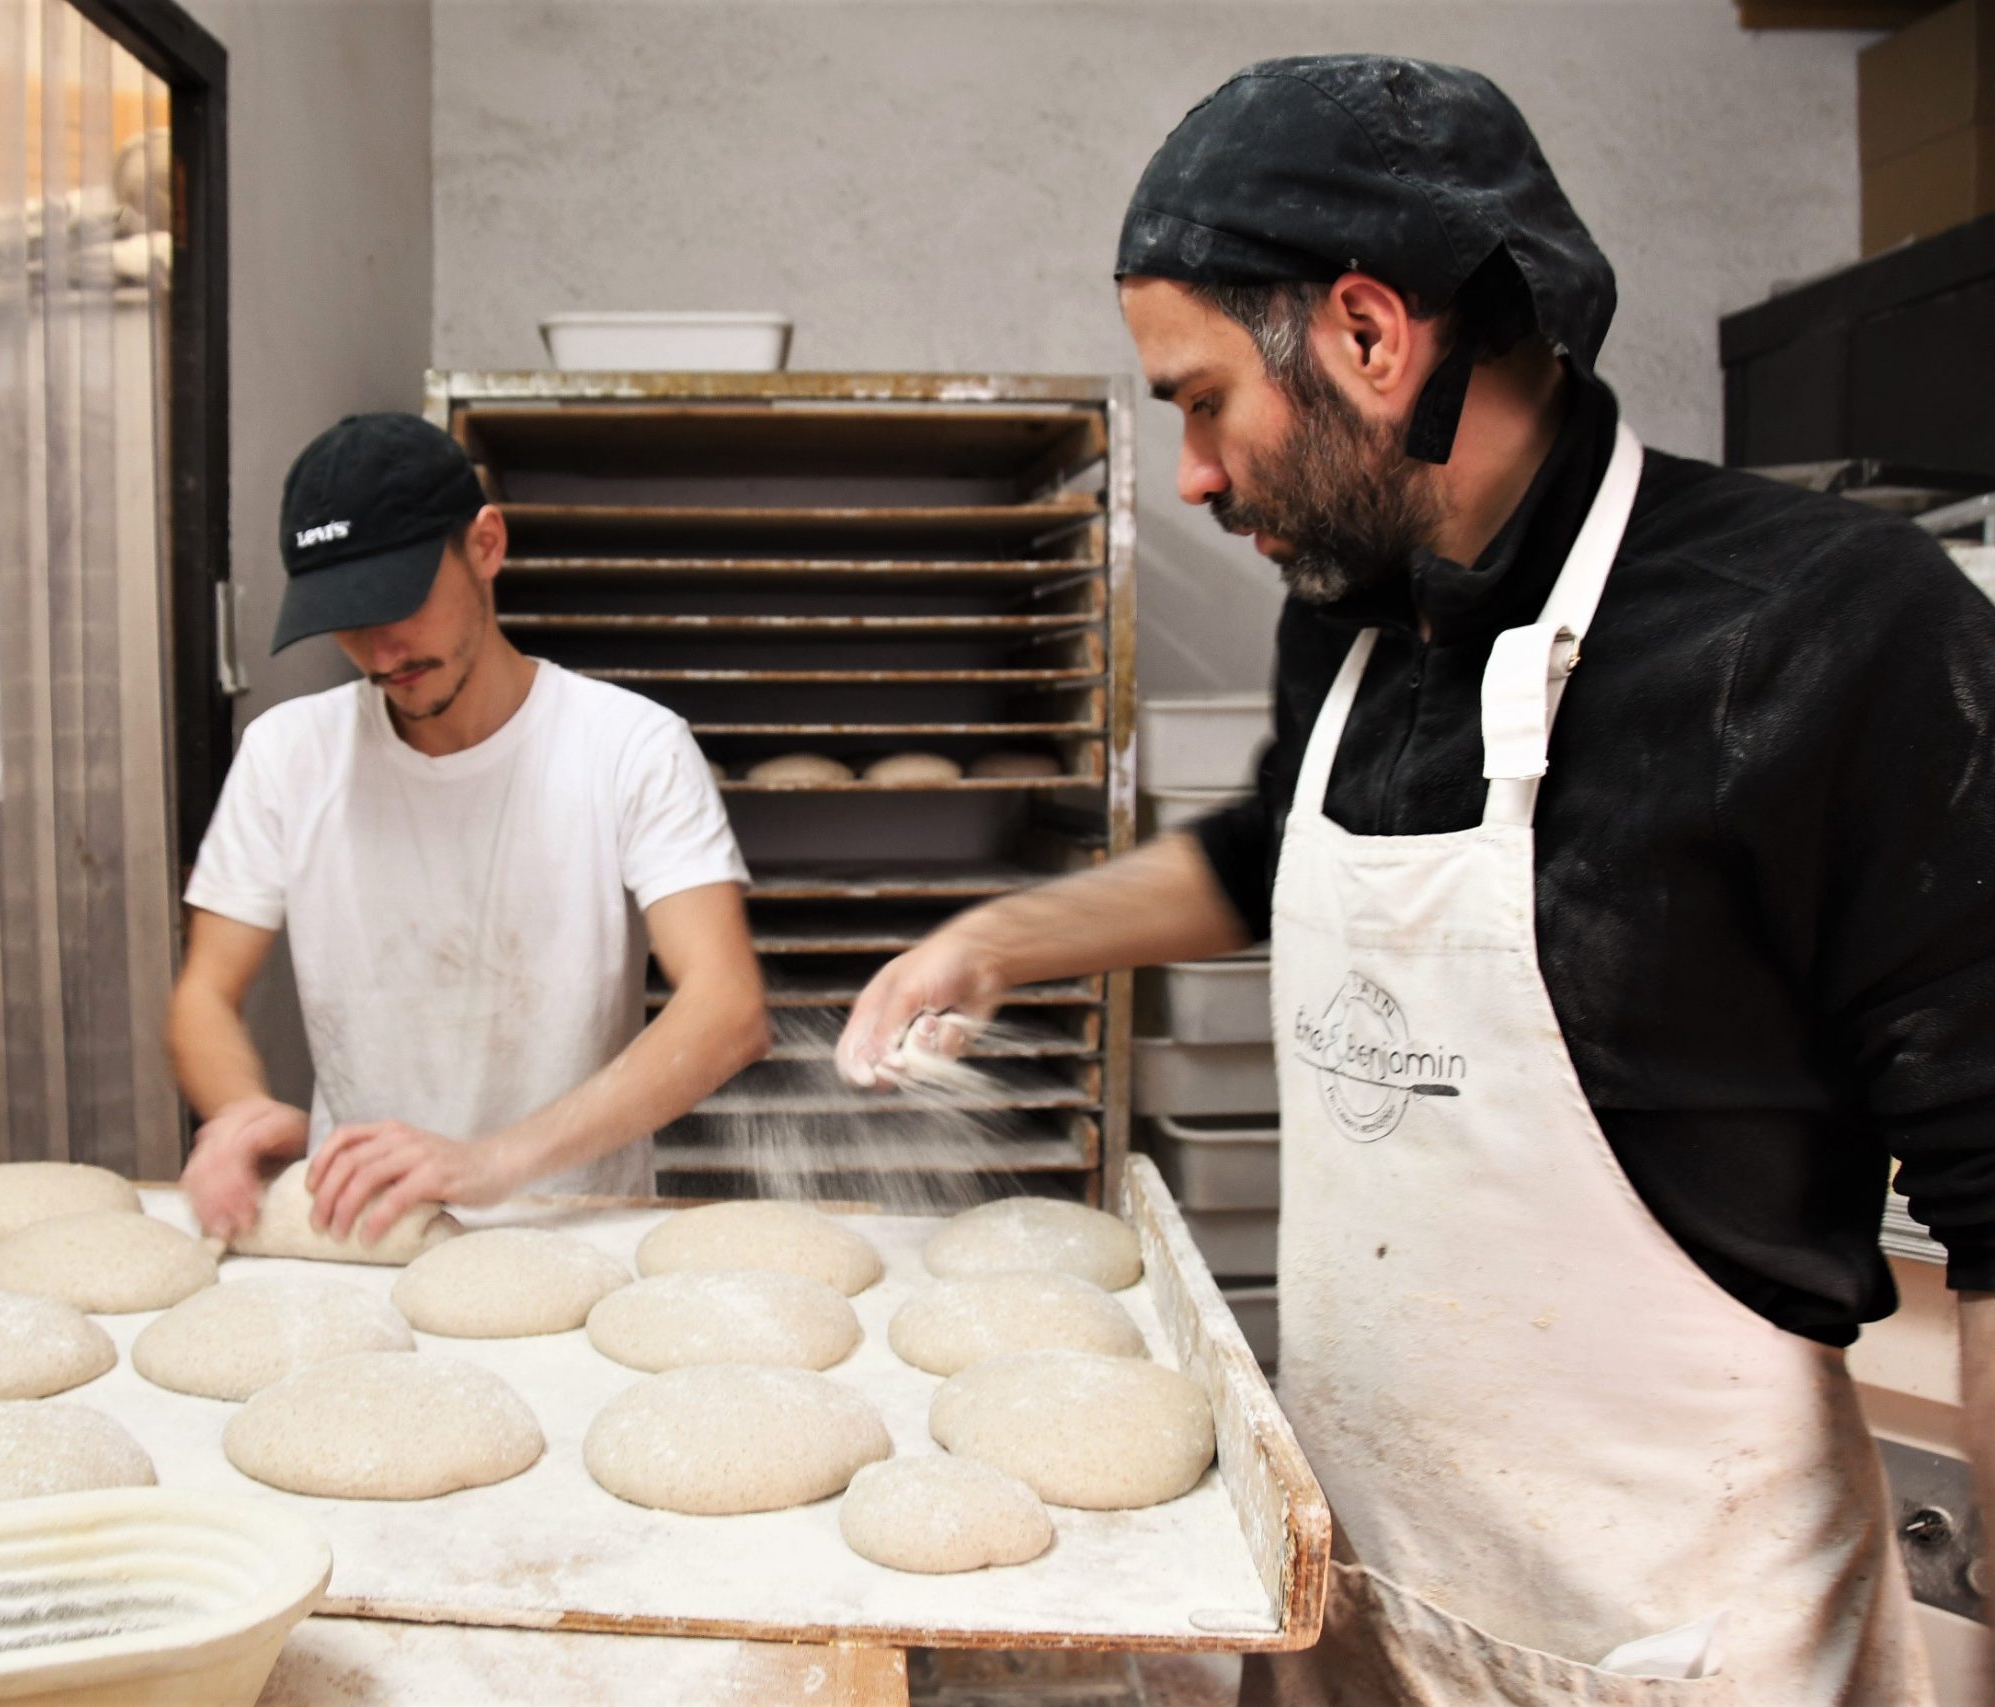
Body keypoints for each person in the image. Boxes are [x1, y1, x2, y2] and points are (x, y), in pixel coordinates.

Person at [839, 55, 1995, 1704]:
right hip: (1358, 1600)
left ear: (1372, 340)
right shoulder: (1360, 619)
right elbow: (1265, 859)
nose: (1193, 473)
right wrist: (1005, 938)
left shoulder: (1823, 634)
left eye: (1200, 396)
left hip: (1667, 1652)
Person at [172, 412, 768, 1245]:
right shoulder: (286, 756)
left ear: (485, 545)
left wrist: (491, 1161)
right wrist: (237, 1112)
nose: (381, 649)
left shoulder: (628, 747)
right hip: (364, 1234)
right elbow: (205, 991)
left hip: (572, 1227)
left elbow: (727, 1007)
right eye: (347, 618)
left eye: (401, 600)